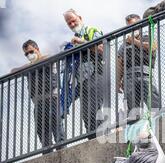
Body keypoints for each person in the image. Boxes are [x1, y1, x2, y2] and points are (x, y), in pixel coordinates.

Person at [11, 40, 64, 151]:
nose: (29, 55)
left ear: (37, 49)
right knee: (43, 134)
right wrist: (28, 66)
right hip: (38, 104)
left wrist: (30, 66)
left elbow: (48, 58)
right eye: (26, 54)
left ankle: (63, 152)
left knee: (58, 131)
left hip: (52, 100)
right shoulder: (28, 67)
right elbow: (13, 71)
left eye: (31, 51)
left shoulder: (47, 59)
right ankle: (48, 156)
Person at [63, 9, 104, 138]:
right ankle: (92, 139)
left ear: (80, 17)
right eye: (69, 23)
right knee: (86, 114)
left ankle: (102, 137)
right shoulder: (72, 42)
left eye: (73, 20)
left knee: (93, 110)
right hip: (82, 81)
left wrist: (81, 43)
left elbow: (102, 50)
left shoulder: (92, 31)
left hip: (96, 74)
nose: (72, 24)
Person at [117, 14, 160, 119]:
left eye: (134, 25)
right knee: (131, 107)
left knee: (153, 100)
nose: (132, 28)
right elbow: (119, 62)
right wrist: (118, 81)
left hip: (145, 73)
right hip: (128, 77)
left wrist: (134, 41)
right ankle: (135, 127)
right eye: (129, 26)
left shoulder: (147, 37)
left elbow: (152, 47)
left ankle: (158, 120)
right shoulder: (124, 45)